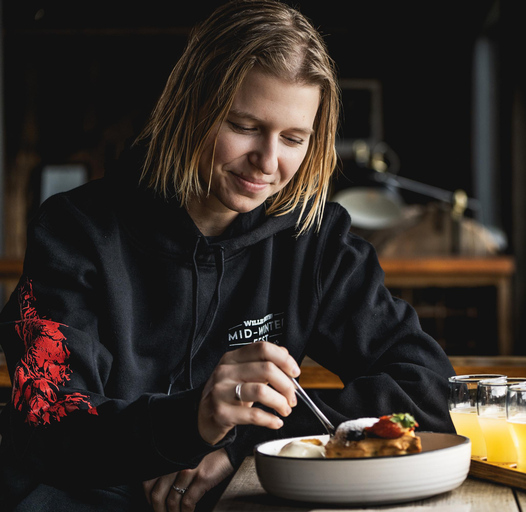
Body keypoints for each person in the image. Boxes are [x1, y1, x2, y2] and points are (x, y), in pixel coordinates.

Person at [0, 1, 456, 510]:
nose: (267, 162)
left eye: (292, 138)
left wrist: (247, 444)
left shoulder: (314, 237)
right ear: (191, 107)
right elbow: (47, 420)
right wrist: (190, 423)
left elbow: (427, 386)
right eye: (243, 126)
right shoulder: (75, 232)